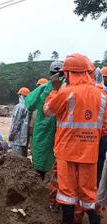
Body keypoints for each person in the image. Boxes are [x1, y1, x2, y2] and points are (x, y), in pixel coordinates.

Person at [43, 53, 107, 224]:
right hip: (89, 151)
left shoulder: (67, 92)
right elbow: (103, 125)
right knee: (89, 195)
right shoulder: (101, 95)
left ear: (69, 73)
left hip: (67, 150)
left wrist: (56, 90)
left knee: (67, 194)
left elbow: (48, 111)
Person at [25, 61, 63, 180]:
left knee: (40, 164)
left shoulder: (43, 89)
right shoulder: (69, 88)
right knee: (59, 167)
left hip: (42, 132)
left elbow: (29, 105)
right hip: (62, 133)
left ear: (50, 73)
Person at [9, 87, 30, 157]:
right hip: (24, 139)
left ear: (22, 96)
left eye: (19, 95)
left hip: (17, 139)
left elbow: (16, 122)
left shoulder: (19, 107)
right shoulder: (29, 107)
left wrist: (12, 134)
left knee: (16, 160)